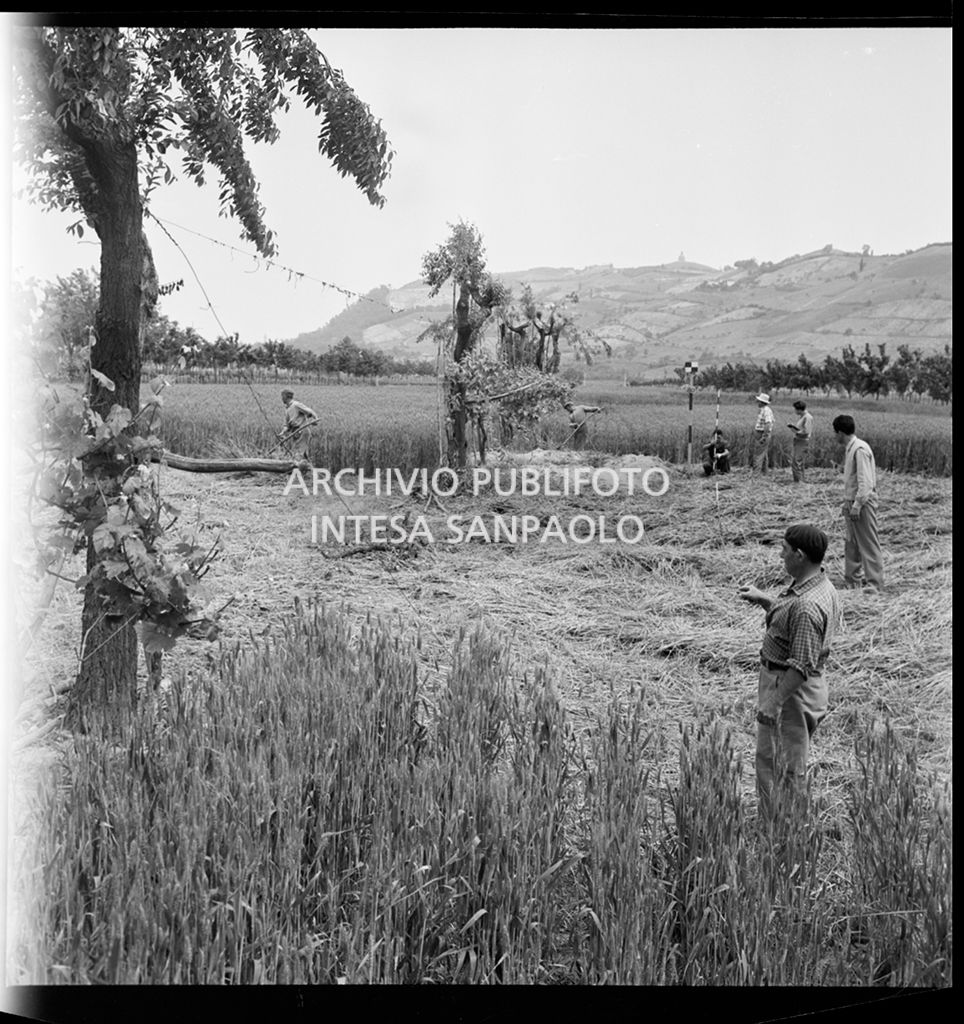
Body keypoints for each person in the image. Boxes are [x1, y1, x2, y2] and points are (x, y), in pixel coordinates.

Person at [737, 524, 842, 814]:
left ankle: (783, 836)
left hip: (789, 690)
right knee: (782, 761)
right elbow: (793, 624)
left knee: (780, 767)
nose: (780, 555)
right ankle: (783, 830)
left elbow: (801, 664)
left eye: (784, 549)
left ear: (799, 555)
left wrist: (773, 703)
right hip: (795, 687)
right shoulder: (819, 586)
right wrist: (764, 600)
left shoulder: (807, 607)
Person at [832, 414, 884, 593]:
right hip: (851, 503)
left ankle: (874, 584)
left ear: (840, 432)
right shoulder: (850, 448)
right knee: (851, 542)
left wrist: (857, 505)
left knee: (868, 543)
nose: (835, 437)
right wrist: (847, 503)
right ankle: (852, 580)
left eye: (835, 433)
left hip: (862, 504)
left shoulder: (860, 449)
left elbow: (866, 483)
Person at [280, 389, 319, 462]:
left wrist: (315, 419)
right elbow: (286, 426)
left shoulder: (296, 405)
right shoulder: (287, 409)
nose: (281, 398)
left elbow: (310, 411)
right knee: (301, 454)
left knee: (299, 454)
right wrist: (282, 433)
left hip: (302, 431)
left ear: (286, 397)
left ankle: (298, 469)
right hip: (295, 433)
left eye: (282, 396)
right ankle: (307, 469)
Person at [787, 400, 814, 483]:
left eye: (795, 409)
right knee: (797, 462)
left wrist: (796, 432)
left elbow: (806, 432)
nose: (795, 411)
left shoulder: (807, 417)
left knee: (797, 462)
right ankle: (799, 480)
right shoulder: (803, 417)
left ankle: (799, 482)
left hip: (802, 441)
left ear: (799, 409)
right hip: (798, 440)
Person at [751, 393, 774, 473]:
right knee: (763, 454)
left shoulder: (766, 411)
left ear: (762, 402)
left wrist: (764, 436)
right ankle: (764, 472)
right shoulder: (763, 410)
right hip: (760, 434)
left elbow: (768, 424)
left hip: (762, 434)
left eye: (759, 401)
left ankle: (756, 474)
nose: (757, 402)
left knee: (758, 455)